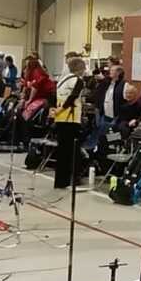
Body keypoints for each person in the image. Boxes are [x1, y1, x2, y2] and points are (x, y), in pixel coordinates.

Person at [52, 56, 89, 190]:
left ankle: (60, 181)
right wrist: (61, 109)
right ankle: (71, 179)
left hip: (60, 118)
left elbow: (54, 95)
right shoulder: (78, 81)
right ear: (80, 69)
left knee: (62, 150)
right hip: (71, 119)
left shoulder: (62, 80)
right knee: (71, 151)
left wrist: (54, 110)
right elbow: (73, 97)